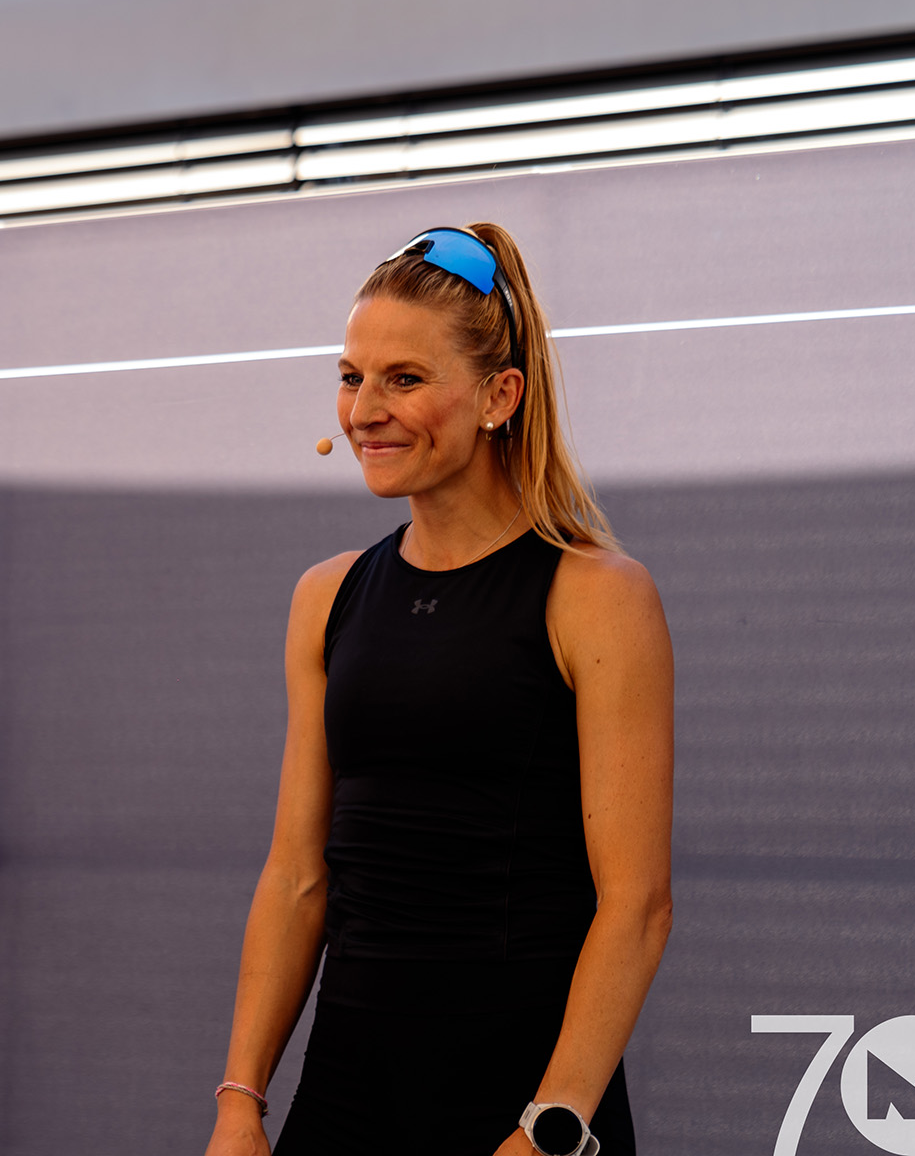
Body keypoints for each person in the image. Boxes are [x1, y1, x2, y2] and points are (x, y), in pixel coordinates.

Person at [204, 224, 673, 1156]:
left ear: (500, 397)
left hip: (523, 1112)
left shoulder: (598, 596)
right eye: (352, 378)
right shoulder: (326, 597)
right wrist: (239, 1101)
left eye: (405, 379)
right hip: (343, 1104)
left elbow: (637, 904)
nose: (365, 410)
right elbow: (298, 875)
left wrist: (548, 1129)